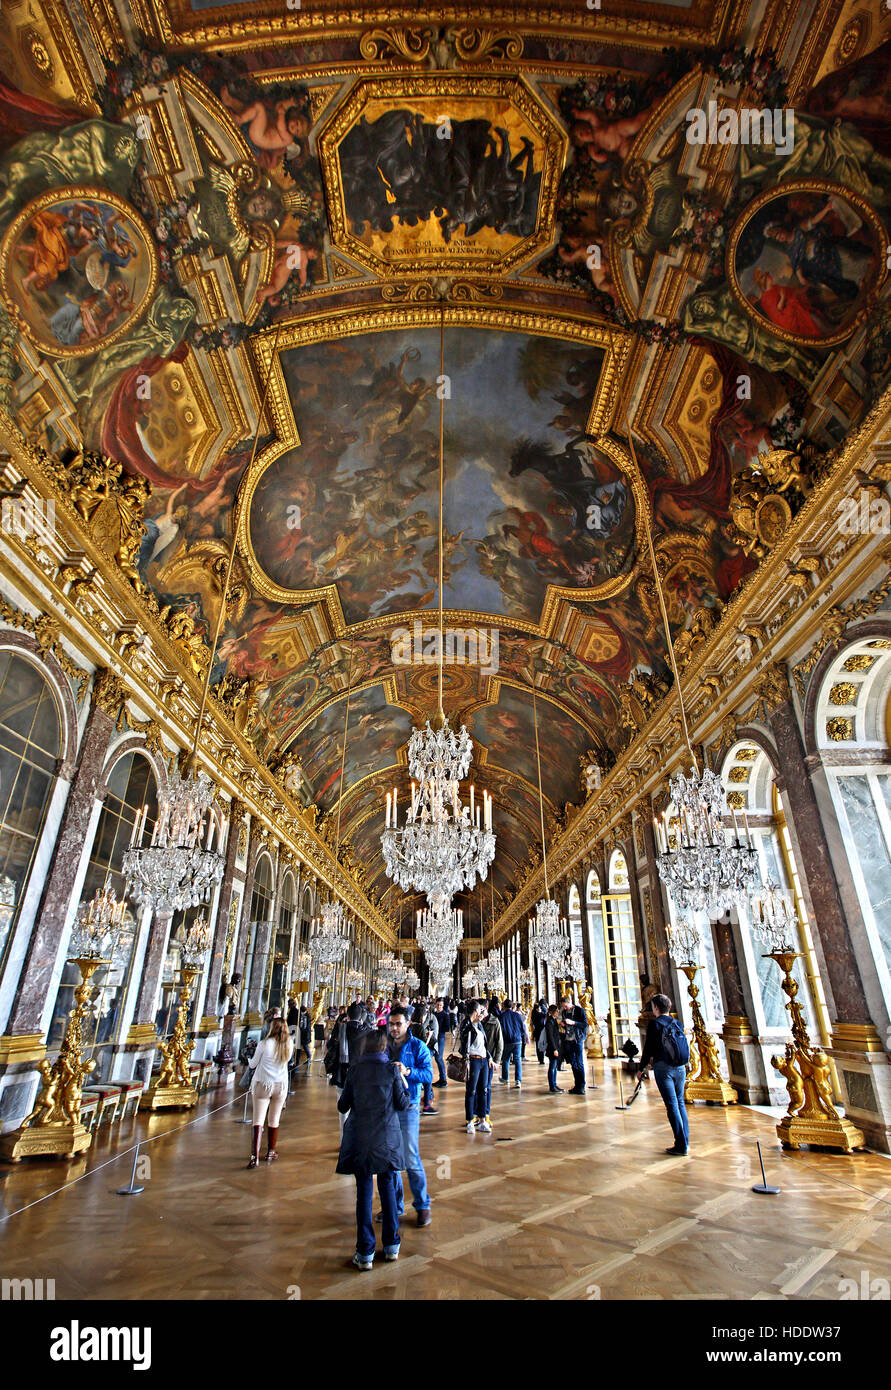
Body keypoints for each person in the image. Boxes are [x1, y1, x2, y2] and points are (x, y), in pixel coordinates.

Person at [336, 1028, 410, 1270]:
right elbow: (402, 1104)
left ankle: (365, 1251)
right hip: (386, 1140)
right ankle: (391, 1246)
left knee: (364, 1194)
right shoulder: (391, 1070)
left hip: (361, 1139)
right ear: (383, 1048)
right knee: (388, 1189)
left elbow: (342, 1105)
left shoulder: (355, 1071)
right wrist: (403, 1083)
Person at [385, 1005, 433, 1225]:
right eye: (391, 1024)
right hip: (386, 1107)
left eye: (398, 1024)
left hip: (409, 1106)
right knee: (390, 1159)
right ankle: (394, 1206)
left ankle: (423, 1205)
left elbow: (428, 1074)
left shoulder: (418, 1046)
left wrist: (408, 1071)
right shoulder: (382, 1045)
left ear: (407, 1024)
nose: (394, 1028)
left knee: (411, 1157)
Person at [637, 993, 690, 1156]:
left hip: (664, 1068)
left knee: (672, 1104)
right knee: (680, 1103)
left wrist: (641, 1068)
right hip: (680, 1068)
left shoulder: (655, 1024)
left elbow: (649, 1048)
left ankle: (680, 1144)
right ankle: (685, 1140)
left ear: (656, 1008)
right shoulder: (677, 1023)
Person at [246, 1016, 293, 1167]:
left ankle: (255, 1156)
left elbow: (253, 1065)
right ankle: (271, 1151)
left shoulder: (264, 1044)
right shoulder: (289, 1044)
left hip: (263, 1084)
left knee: (258, 1120)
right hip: (281, 1086)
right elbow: (288, 1062)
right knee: (274, 1119)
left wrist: (248, 1059)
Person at [460, 999, 493, 1134]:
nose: (482, 1011)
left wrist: (489, 1057)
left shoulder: (479, 1024)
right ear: (475, 1010)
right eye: (480, 1009)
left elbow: (483, 1044)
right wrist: (474, 1022)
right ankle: (469, 1121)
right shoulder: (466, 1023)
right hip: (473, 1061)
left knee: (483, 1090)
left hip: (484, 1060)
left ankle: (482, 1120)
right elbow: (464, 1039)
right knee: (471, 1091)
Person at [411, 1002, 439, 1115]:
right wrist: (429, 1036)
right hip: (420, 1058)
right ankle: (427, 1105)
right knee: (427, 1079)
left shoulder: (410, 1026)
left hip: (412, 1056)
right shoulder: (419, 1027)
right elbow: (423, 1044)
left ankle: (416, 1103)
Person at [560, 994, 588, 1094]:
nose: (564, 1008)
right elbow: (567, 1028)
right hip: (569, 1040)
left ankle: (582, 1086)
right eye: (563, 1006)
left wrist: (573, 1023)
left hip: (578, 1039)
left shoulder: (579, 1010)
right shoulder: (564, 1012)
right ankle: (577, 1085)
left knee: (579, 1063)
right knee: (573, 1063)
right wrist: (564, 1025)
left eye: (565, 1006)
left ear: (569, 1003)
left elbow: (585, 1024)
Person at [500, 998, 528, 1089]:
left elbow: (501, 1030)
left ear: (503, 1006)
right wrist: (523, 1036)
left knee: (506, 1059)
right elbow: (522, 1027)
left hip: (507, 1040)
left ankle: (505, 1078)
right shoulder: (517, 1015)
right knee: (517, 1060)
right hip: (518, 1040)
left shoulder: (502, 1016)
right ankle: (518, 1081)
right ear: (512, 1006)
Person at [543, 1005, 563, 1093]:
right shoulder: (549, 1021)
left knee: (554, 1067)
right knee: (552, 1067)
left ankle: (554, 1084)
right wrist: (554, 1049)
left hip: (555, 1046)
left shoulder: (553, 1020)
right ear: (552, 1012)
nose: (558, 1012)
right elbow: (550, 1036)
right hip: (552, 1048)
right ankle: (552, 1086)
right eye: (557, 1011)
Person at [432, 997, 450, 1087]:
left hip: (440, 1038)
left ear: (443, 1006)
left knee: (439, 1058)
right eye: (438, 1005)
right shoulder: (434, 1014)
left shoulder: (445, 1015)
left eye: (440, 1005)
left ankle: (443, 1080)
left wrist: (437, 1029)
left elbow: (447, 1028)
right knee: (433, 1058)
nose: (439, 1006)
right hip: (433, 1038)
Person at [531, 998, 548, 1063]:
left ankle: (540, 1058)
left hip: (536, 1030)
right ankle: (542, 1058)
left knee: (538, 1044)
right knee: (542, 1043)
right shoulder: (542, 1009)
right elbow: (545, 1015)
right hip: (542, 1029)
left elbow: (532, 1018)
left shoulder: (534, 1010)